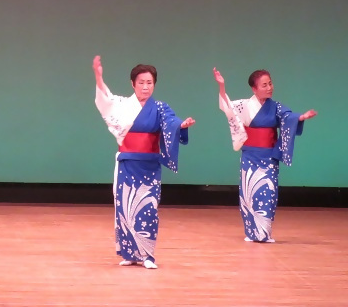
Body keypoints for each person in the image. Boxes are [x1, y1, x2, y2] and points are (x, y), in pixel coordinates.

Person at [91, 55, 194, 269]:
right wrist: (98, 77)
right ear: (133, 84)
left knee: (148, 208)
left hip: (149, 165)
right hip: (127, 162)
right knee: (125, 208)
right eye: (141, 82)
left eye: (149, 83)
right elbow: (105, 99)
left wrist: (181, 125)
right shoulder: (123, 104)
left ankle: (147, 255)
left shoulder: (160, 108)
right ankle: (129, 253)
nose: (145, 87)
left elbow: (171, 121)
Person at [212, 67, 317, 243]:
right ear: (254, 89)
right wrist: (222, 86)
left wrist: (301, 117)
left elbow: (288, 117)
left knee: (267, 193)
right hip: (250, 156)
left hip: (268, 157)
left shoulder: (276, 107)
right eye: (264, 85)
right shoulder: (245, 105)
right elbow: (227, 106)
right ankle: (251, 232)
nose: (269, 88)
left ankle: (263, 233)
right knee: (248, 195)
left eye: (270, 83)